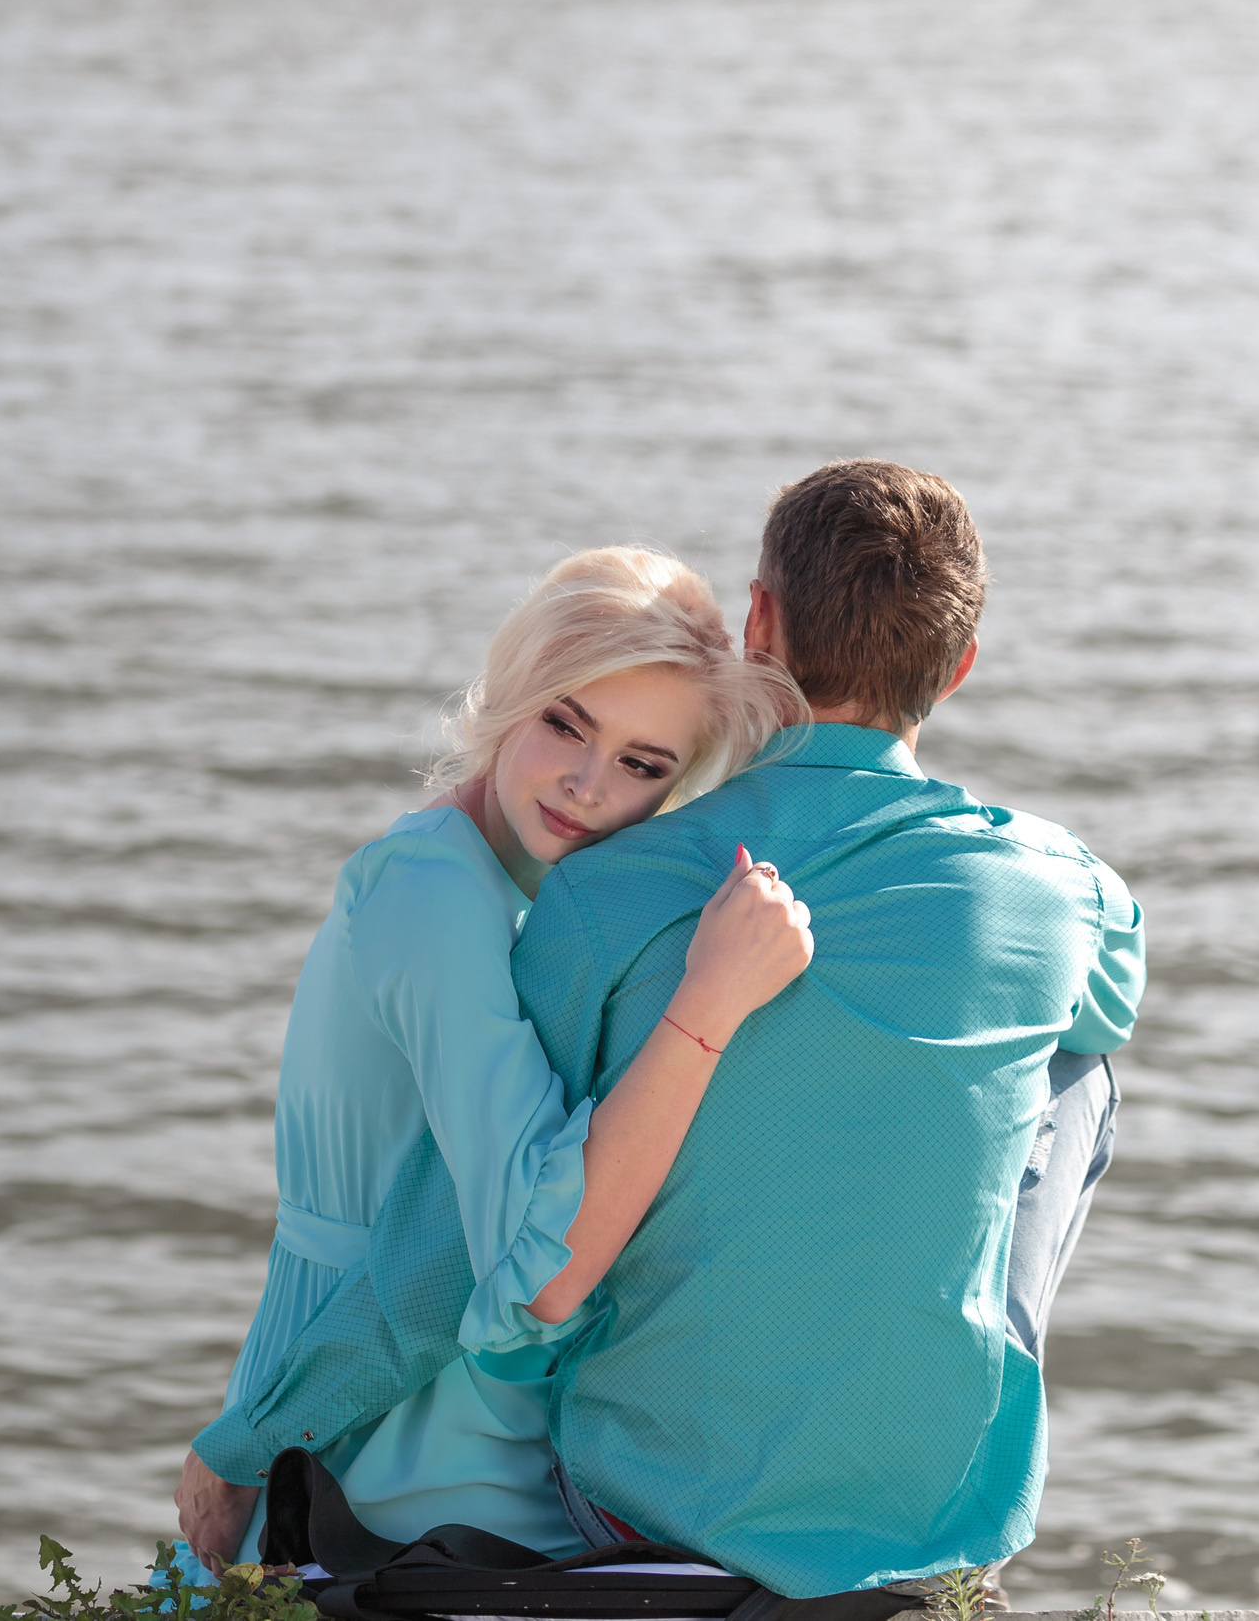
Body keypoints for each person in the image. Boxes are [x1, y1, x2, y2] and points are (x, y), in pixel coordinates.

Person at [184, 461, 1145, 1602]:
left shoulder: (604, 894)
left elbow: (448, 1257)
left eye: (637, 762)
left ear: (760, 623)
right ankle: (973, 1379)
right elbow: (1110, 999)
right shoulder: (1062, 883)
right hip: (941, 1504)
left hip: (645, 1503)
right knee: (1075, 1069)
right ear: (962, 668)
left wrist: (248, 1441)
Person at [172, 546, 814, 1568]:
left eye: (642, 765)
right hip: (390, 1450)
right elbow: (521, 1254)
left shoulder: (518, 898)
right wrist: (708, 1003)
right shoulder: (436, 894)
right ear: (514, 691)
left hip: (393, 1402)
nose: (585, 783)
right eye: (567, 721)